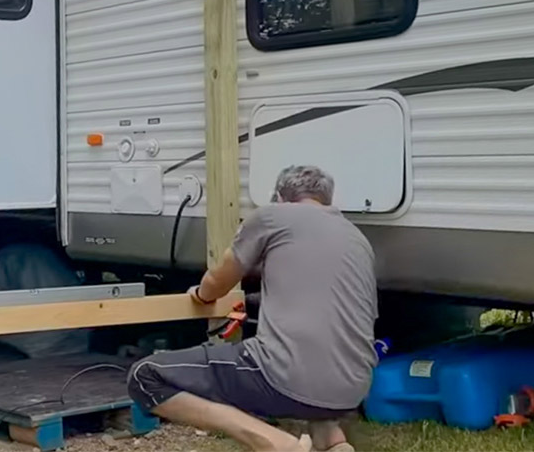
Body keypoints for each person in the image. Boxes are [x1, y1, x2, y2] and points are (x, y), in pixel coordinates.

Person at [127, 165, 377, 452]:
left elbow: (217, 281)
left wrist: (201, 295)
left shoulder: (273, 215)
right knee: (314, 365)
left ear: (280, 197)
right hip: (353, 388)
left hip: (285, 378)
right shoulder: (357, 238)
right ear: (326, 200)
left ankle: (274, 443)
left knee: (145, 376)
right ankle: (334, 443)